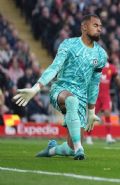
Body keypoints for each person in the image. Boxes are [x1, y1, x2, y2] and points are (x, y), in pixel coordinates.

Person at [12, 14, 107, 160]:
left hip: (82, 97)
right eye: (95, 25)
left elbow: (94, 84)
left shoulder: (101, 54)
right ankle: (80, 149)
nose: (99, 29)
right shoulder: (68, 45)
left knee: (69, 148)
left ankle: (52, 150)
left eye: (100, 26)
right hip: (61, 90)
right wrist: (36, 88)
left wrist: (91, 112)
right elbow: (54, 67)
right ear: (84, 27)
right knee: (71, 101)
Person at [86, 60, 120, 144]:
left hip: (106, 96)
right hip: (95, 96)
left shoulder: (111, 67)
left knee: (107, 113)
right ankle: (88, 137)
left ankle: (108, 136)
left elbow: (118, 79)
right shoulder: (95, 66)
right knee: (91, 116)